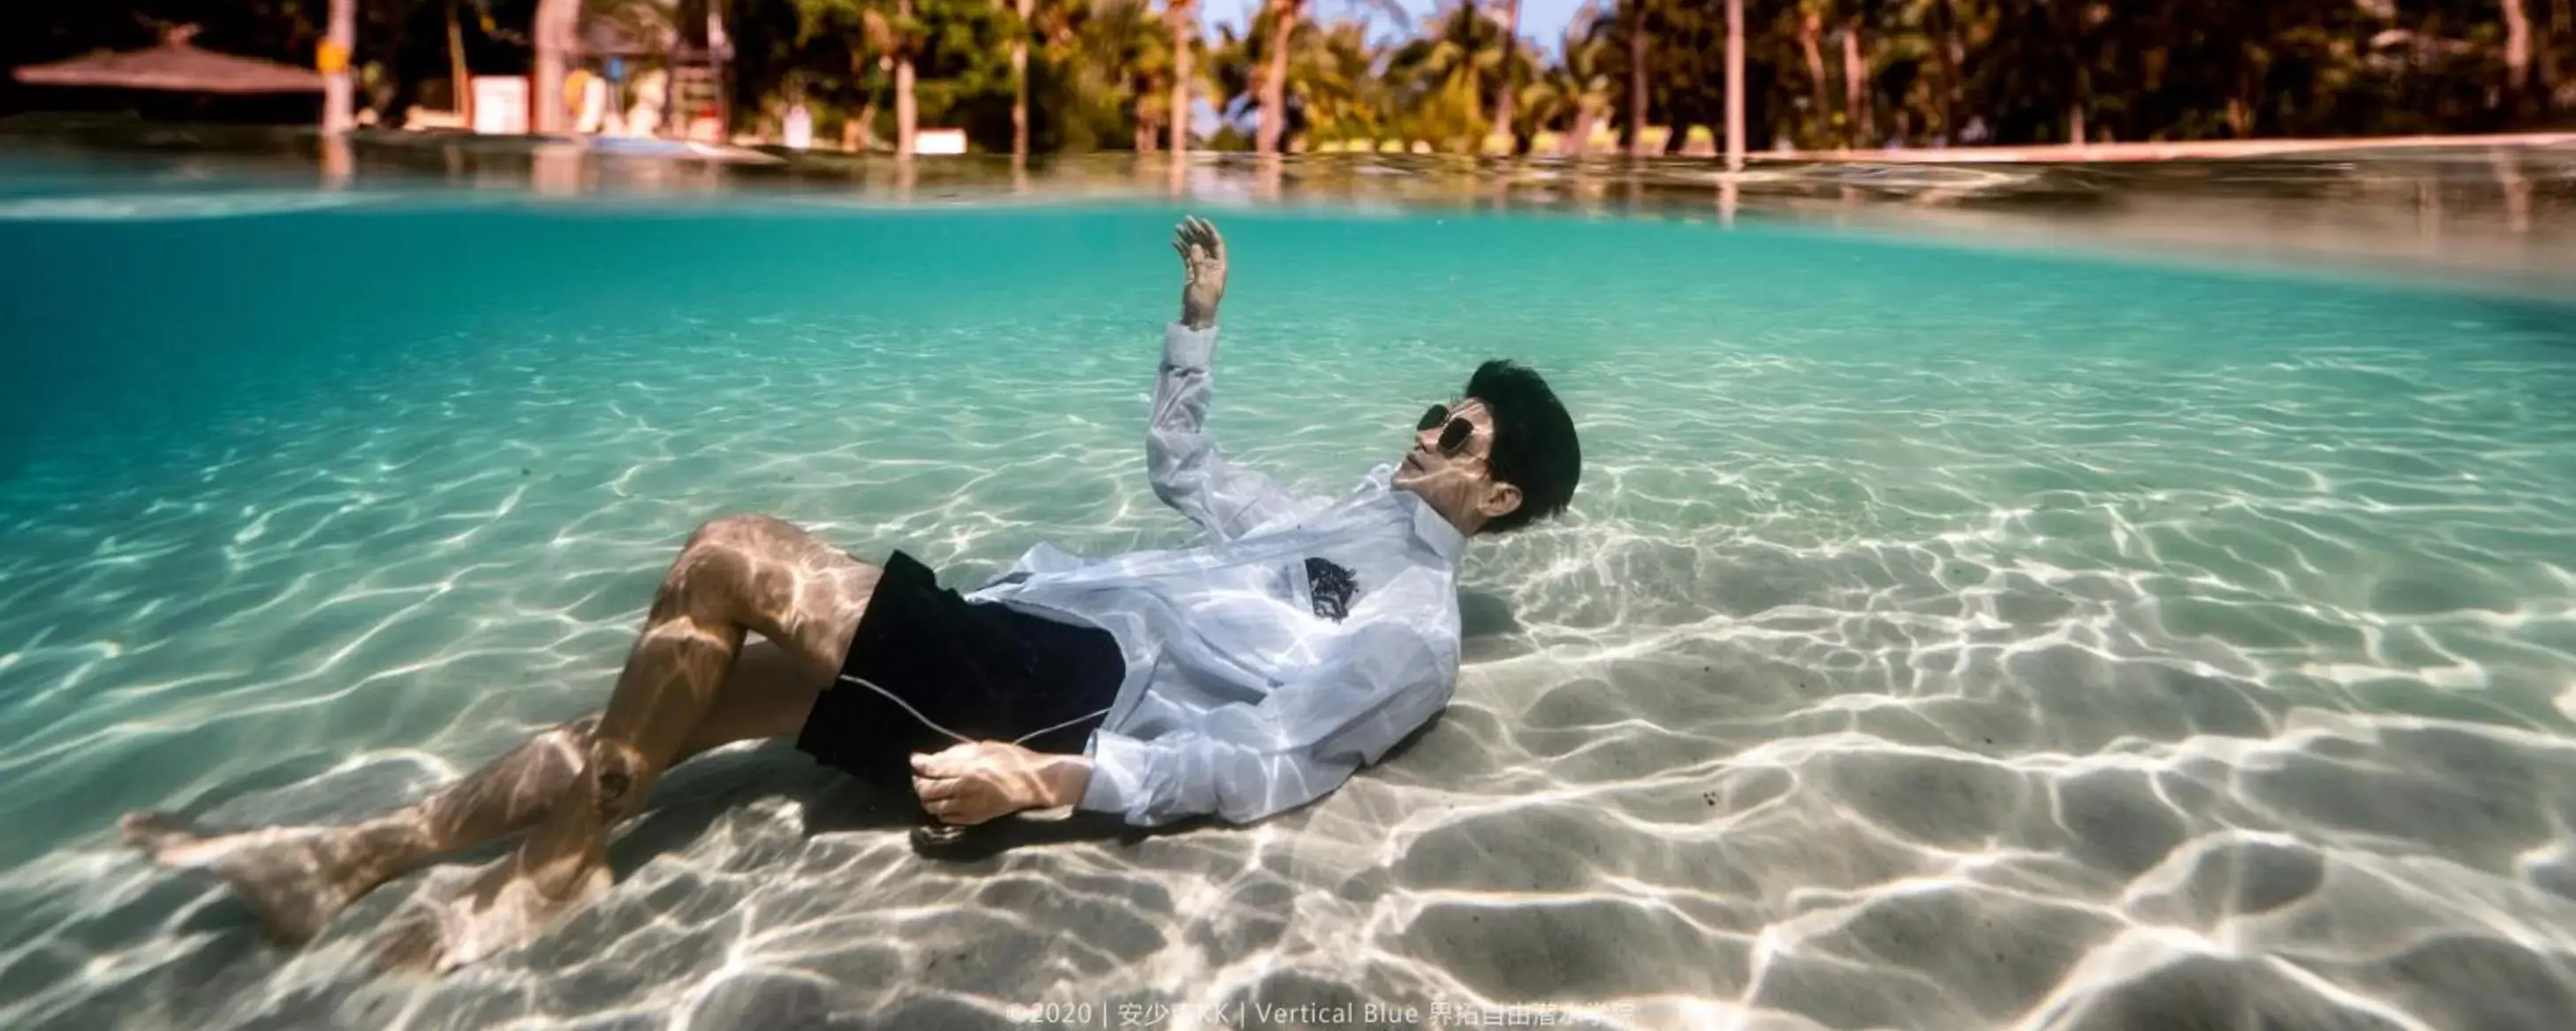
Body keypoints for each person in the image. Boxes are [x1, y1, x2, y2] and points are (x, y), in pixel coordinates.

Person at [117, 216, 1581, 972]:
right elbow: (1182, 466)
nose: (1425, 432)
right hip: (1032, 625)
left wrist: (1052, 784)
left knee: (728, 557)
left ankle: (558, 869)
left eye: (1457, 435)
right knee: (675, 700)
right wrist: (1197, 328)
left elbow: (1270, 760)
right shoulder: (1340, 511)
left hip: (1056, 694)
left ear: (1499, 498)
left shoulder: (1414, 632)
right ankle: (362, 851)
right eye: (1433, 409)